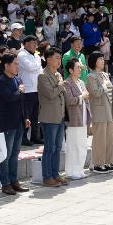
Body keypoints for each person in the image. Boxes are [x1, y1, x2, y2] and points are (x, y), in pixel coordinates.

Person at [0, 52, 28, 196]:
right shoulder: (1, 81)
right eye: (14, 64)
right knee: (5, 155)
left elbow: (21, 101)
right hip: (7, 123)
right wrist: (19, 91)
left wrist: (25, 117)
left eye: (17, 64)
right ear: (6, 65)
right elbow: (10, 98)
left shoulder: (17, 79)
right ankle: (5, 183)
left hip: (19, 121)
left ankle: (14, 181)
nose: (17, 66)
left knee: (15, 153)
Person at [36, 48, 66, 187]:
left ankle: (55, 174)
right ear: (48, 59)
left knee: (58, 147)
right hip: (49, 117)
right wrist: (60, 85)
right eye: (56, 57)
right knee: (49, 148)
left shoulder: (58, 74)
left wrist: (60, 85)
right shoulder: (42, 75)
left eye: (60, 58)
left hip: (59, 116)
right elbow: (50, 93)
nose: (59, 60)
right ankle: (47, 177)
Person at [85, 53, 113, 173]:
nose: (103, 61)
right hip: (98, 110)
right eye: (100, 59)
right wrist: (103, 86)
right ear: (93, 61)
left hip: (108, 109)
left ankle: (107, 161)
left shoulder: (104, 74)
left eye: (103, 59)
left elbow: (111, 92)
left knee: (108, 138)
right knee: (99, 138)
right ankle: (97, 163)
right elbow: (95, 93)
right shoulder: (90, 76)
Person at [63, 57, 91, 181]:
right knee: (73, 145)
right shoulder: (67, 83)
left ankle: (79, 169)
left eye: (80, 67)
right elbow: (69, 101)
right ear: (70, 70)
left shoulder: (81, 82)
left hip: (84, 117)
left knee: (82, 145)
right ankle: (71, 171)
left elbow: (87, 96)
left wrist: (84, 96)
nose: (80, 69)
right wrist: (81, 97)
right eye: (77, 67)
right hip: (74, 119)